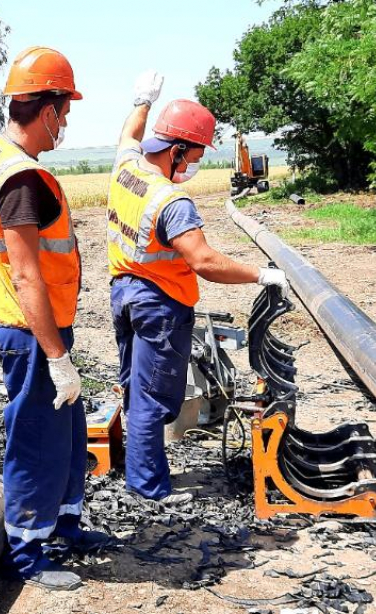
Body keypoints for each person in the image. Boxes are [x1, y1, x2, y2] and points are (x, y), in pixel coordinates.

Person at [106, 71, 290, 504]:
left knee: (137, 389)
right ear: (177, 150)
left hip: (124, 294)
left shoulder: (127, 168)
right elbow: (203, 260)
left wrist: (142, 101)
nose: (194, 164)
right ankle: (148, 487)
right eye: (194, 155)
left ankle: (141, 470)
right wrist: (260, 274)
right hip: (158, 303)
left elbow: (129, 134)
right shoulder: (171, 201)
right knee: (155, 400)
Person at [0, 46, 106, 592]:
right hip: (30, 332)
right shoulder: (22, 180)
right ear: (46, 109)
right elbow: (27, 276)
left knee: (67, 434)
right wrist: (56, 357)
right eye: (64, 111)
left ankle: (67, 524)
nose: (65, 123)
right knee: (34, 437)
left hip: (41, 328)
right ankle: (26, 550)